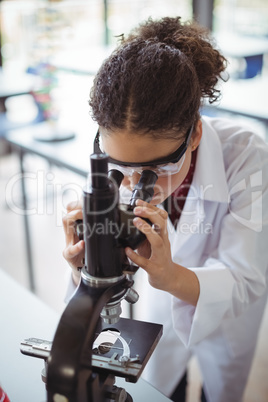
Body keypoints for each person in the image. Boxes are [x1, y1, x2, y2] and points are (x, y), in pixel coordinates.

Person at [62, 16, 268, 402]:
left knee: (219, 393)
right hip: (159, 315)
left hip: (227, 323)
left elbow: (247, 279)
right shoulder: (117, 156)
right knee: (159, 386)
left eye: (157, 169)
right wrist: (87, 267)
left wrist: (171, 275)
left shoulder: (248, 157)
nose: (135, 181)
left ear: (196, 133)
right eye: (120, 166)